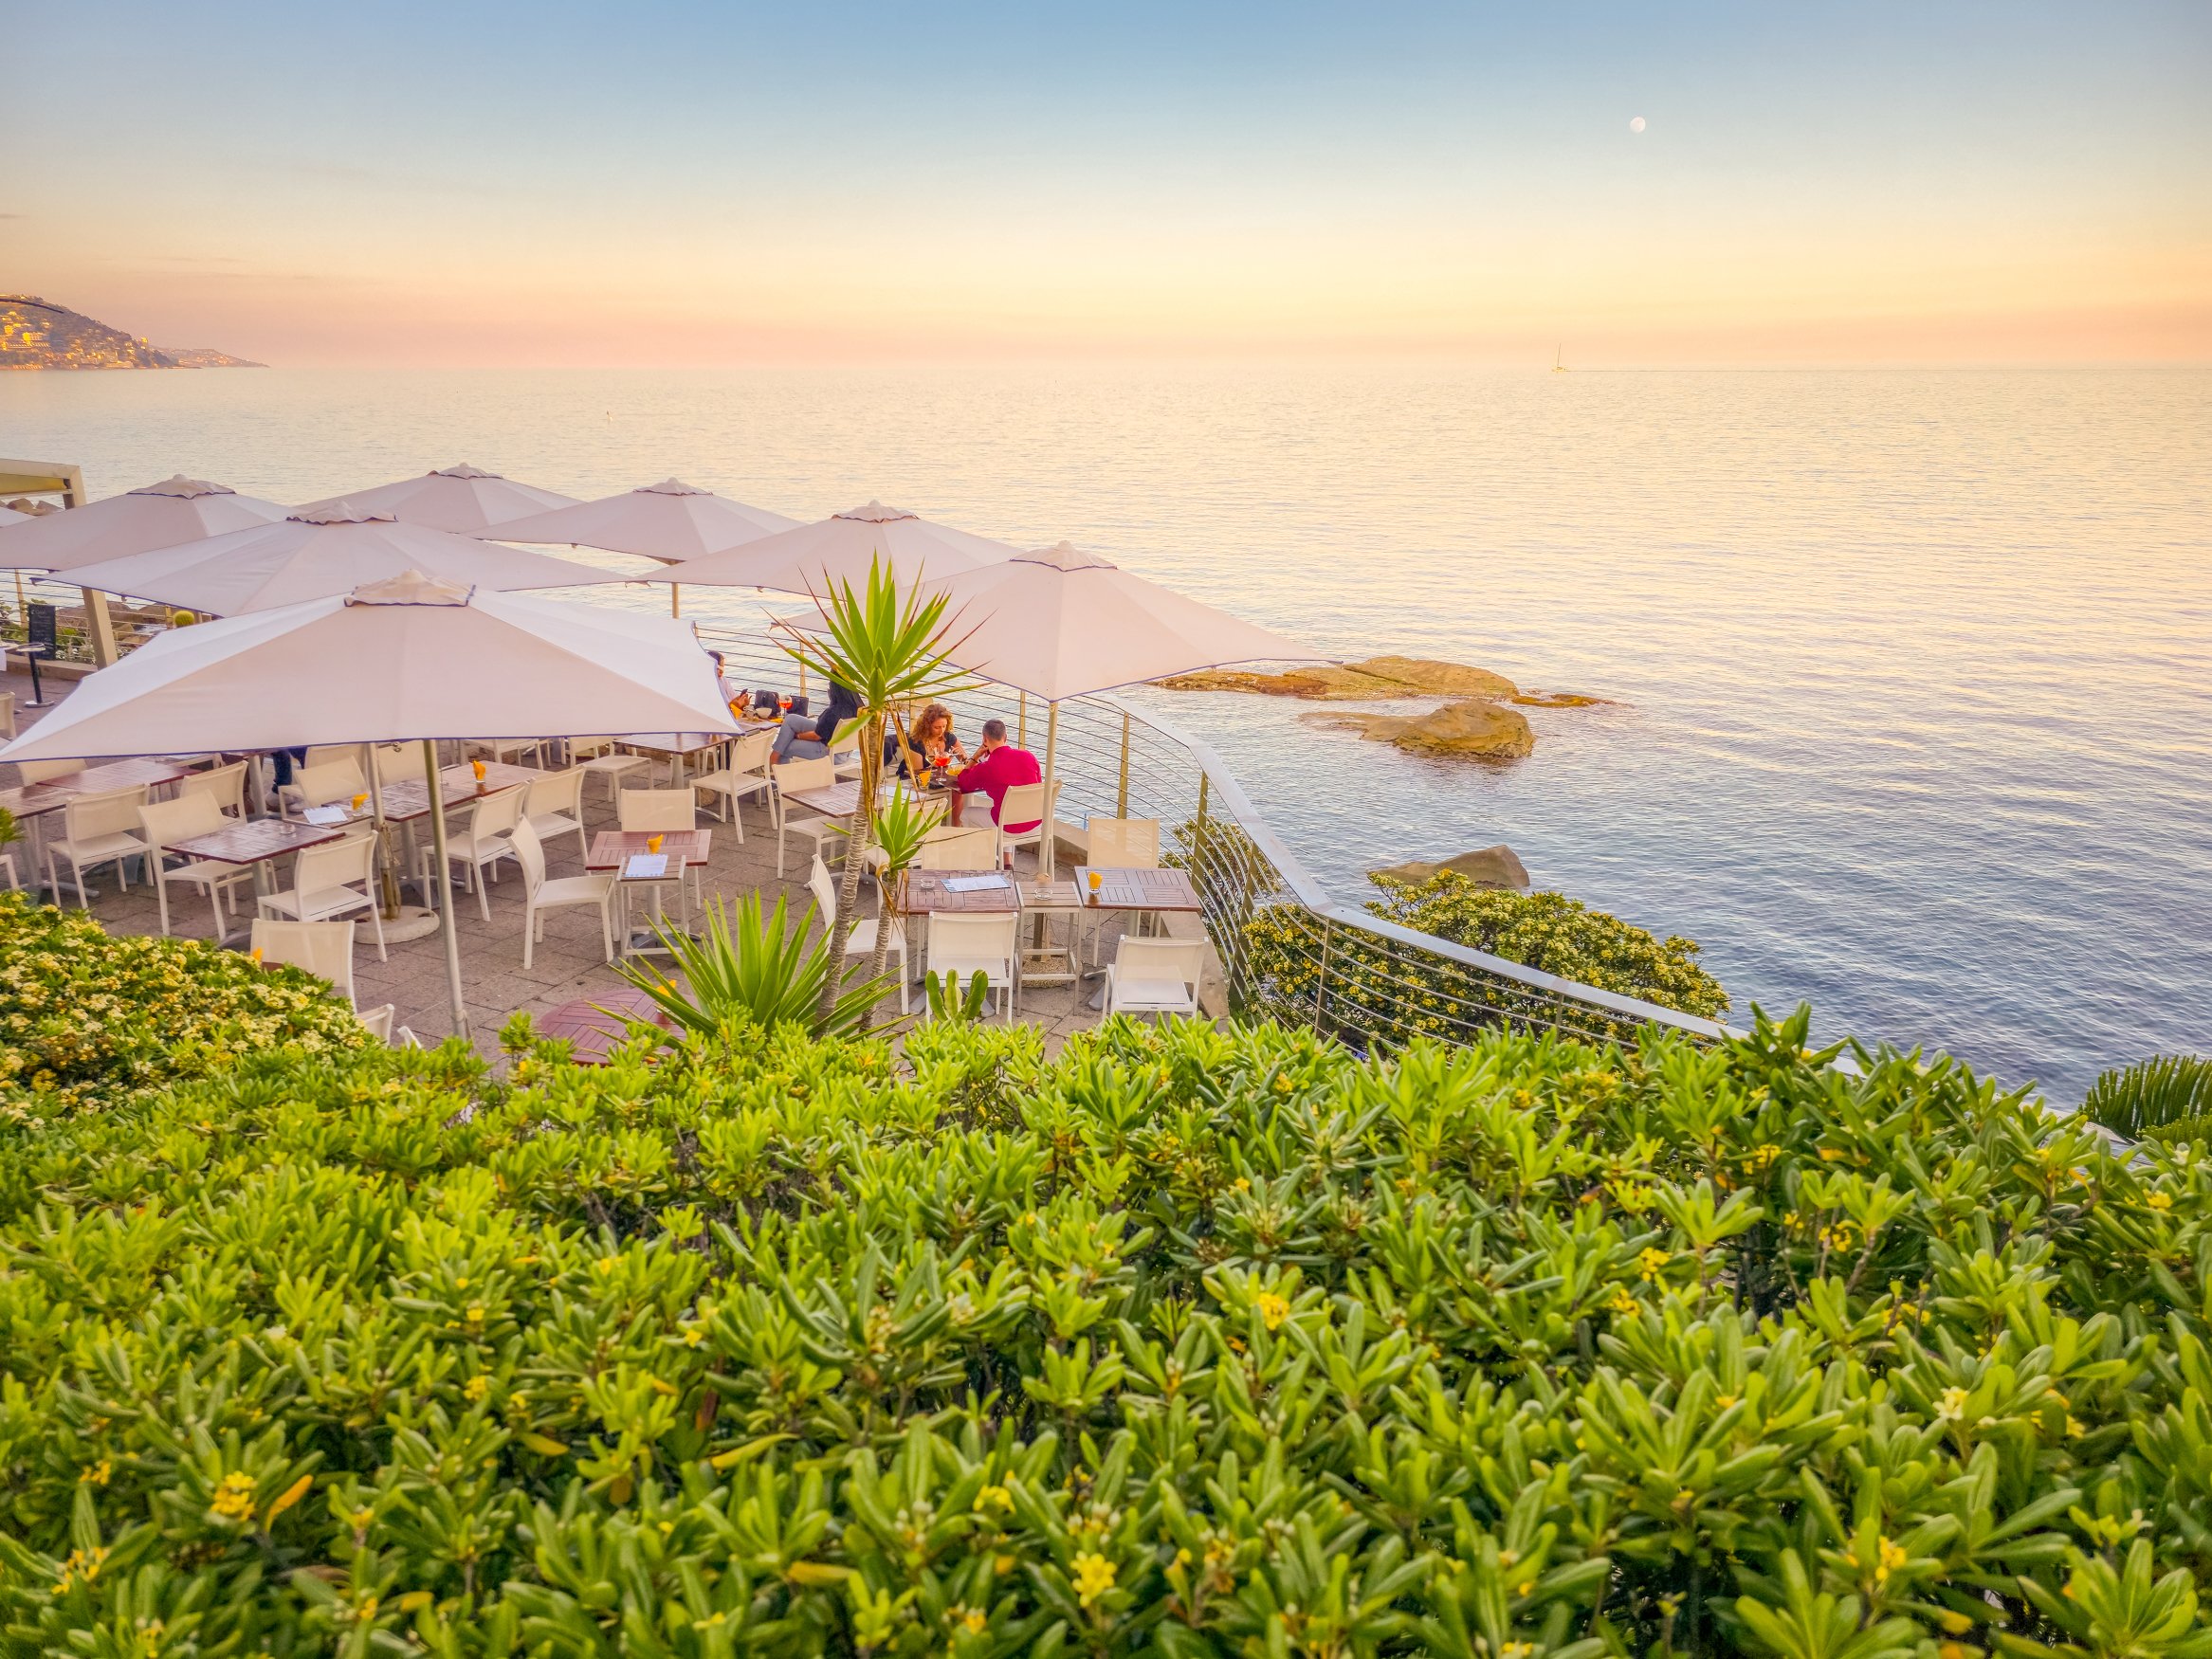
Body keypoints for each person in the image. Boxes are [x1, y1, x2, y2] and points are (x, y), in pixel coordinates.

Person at [950, 718, 1040, 832]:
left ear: (984, 739)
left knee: (966, 814)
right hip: (1035, 823)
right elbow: (1037, 784)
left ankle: (981, 844)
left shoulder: (986, 767)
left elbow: (963, 784)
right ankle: (1001, 846)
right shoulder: (1029, 756)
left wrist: (975, 757)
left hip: (1008, 827)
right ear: (1005, 737)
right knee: (1002, 809)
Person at [772, 678, 859, 763]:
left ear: (836, 691)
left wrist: (797, 736)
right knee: (791, 719)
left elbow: (816, 736)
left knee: (784, 747)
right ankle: (775, 758)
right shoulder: (857, 708)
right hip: (844, 753)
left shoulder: (833, 712)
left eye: (830, 687)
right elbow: (824, 730)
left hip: (830, 752)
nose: (828, 690)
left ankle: (776, 764)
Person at [887, 702, 966, 778]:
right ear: (927, 726)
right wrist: (934, 765)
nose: (942, 731)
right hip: (911, 779)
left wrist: (962, 758)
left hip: (938, 777)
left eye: (944, 726)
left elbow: (966, 763)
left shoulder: (948, 737)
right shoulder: (916, 741)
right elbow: (918, 774)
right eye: (937, 727)